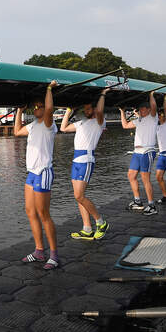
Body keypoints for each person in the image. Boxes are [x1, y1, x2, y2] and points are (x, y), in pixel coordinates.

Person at [15, 81, 60, 269]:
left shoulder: (49, 124)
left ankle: (54, 255)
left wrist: (49, 89)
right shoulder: (33, 125)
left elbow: (49, 108)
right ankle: (39, 251)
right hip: (31, 173)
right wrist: (19, 111)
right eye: (34, 107)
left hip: (43, 172)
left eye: (39, 106)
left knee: (43, 214)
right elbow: (17, 131)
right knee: (30, 211)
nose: (36, 109)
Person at [59, 88, 110, 240]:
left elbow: (100, 111)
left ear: (94, 109)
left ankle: (101, 222)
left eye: (89, 108)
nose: (86, 111)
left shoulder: (99, 122)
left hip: (86, 160)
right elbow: (63, 128)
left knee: (79, 195)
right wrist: (69, 110)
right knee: (78, 197)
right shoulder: (81, 122)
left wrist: (103, 94)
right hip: (76, 160)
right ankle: (87, 229)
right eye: (85, 109)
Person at [121, 91, 159, 216]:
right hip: (137, 152)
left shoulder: (153, 118)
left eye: (143, 109)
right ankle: (137, 201)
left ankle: (152, 205)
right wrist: (122, 111)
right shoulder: (139, 120)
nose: (141, 111)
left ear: (148, 110)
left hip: (147, 151)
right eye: (140, 109)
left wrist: (151, 95)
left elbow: (154, 106)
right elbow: (125, 125)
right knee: (131, 175)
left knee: (145, 178)